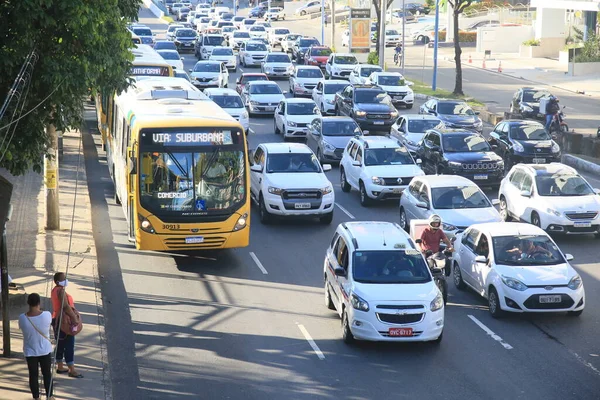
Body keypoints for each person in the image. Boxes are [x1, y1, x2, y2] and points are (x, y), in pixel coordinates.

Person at [18, 293, 55, 400]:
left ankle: (36, 397)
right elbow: (49, 323)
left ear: (28, 303)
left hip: (30, 351)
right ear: (39, 303)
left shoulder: (22, 318)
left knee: (33, 375)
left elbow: (22, 328)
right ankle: (50, 396)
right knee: (47, 374)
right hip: (45, 350)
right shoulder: (47, 315)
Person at [51, 272, 83, 378]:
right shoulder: (61, 291)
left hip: (56, 319)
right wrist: (74, 318)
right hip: (64, 322)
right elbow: (65, 306)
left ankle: (60, 366)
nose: (66, 280)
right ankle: (71, 369)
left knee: (60, 344)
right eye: (64, 278)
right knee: (69, 345)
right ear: (58, 282)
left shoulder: (55, 290)